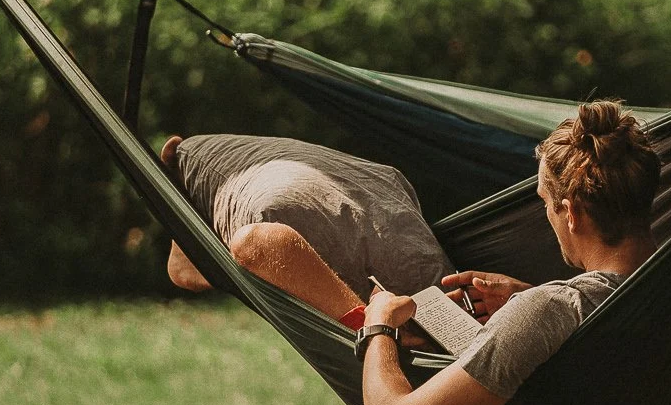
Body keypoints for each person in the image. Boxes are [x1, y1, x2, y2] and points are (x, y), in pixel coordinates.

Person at [358, 101, 660, 405]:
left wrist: (379, 324)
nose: (547, 215)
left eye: (547, 203)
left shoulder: (548, 311)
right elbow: (602, 316)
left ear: (573, 213)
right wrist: (527, 299)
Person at [160, 132, 452, 326]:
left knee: (256, 240)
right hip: (383, 189)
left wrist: (370, 328)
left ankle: (373, 329)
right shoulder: (227, 157)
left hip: (284, 207)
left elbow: (253, 243)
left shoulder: (259, 207)